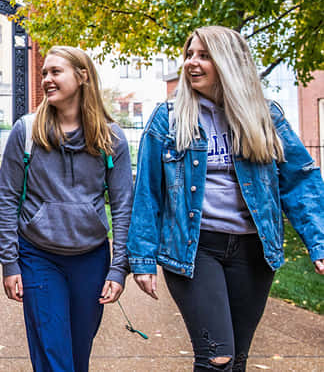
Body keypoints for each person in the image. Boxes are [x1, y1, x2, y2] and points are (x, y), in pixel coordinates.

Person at [127, 26, 324, 372]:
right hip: (195, 248)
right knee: (217, 358)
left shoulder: (266, 116)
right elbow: (147, 192)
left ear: (229, 62)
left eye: (204, 55)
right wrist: (142, 258)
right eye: (189, 54)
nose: (192, 63)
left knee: (237, 361)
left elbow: (300, 180)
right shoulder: (169, 118)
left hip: (253, 252)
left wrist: (318, 242)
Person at [0, 46, 133, 372]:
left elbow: (124, 207)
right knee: (54, 355)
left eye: (56, 72)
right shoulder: (26, 132)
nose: (46, 80)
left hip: (91, 259)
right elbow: (7, 200)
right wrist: (9, 263)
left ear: (82, 76)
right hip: (38, 256)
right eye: (44, 73)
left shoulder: (111, 139)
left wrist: (119, 268)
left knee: (77, 356)